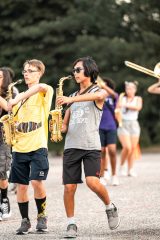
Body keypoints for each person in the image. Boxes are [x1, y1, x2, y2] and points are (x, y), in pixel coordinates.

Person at [56, 56, 120, 238]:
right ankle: (71, 224)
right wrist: (57, 127)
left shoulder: (97, 91)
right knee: (69, 187)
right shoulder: (73, 98)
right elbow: (65, 125)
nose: (74, 73)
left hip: (91, 145)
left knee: (93, 182)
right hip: (71, 146)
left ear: (89, 71)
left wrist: (70, 100)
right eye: (74, 70)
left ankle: (109, 206)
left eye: (78, 70)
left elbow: (100, 96)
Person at [8, 59, 53, 234]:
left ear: (39, 73)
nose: (26, 73)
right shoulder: (18, 100)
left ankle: (42, 216)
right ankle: (25, 220)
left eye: (30, 70)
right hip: (19, 147)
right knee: (21, 186)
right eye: (25, 70)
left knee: (36, 181)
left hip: (38, 145)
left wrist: (17, 97)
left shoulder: (45, 90)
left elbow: (40, 88)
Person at [0, 67, 18, 221]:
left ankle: (4, 200)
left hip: (3, 134)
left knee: (1, 171)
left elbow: (9, 108)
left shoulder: (13, 91)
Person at [117, 81, 143, 177]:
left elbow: (138, 107)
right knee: (127, 147)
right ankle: (122, 165)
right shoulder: (121, 98)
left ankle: (130, 169)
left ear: (135, 90)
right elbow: (117, 109)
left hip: (134, 124)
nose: (129, 90)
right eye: (127, 88)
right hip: (123, 124)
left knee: (132, 148)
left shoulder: (138, 98)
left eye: (131, 88)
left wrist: (125, 105)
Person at [98, 77, 119, 186]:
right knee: (101, 151)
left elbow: (115, 95)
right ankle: (101, 175)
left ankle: (114, 175)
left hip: (111, 126)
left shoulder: (113, 97)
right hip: (99, 127)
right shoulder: (97, 95)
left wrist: (103, 85)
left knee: (112, 150)